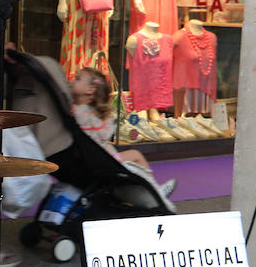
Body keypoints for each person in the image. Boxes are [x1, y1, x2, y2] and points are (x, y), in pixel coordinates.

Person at [70, 65, 178, 206]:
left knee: (133, 160)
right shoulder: (85, 113)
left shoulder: (75, 110)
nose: (72, 80)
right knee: (136, 155)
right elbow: (105, 134)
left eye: (77, 79)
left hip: (91, 158)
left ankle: (151, 190)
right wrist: (107, 117)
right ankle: (155, 190)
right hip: (103, 160)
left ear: (90, 90)